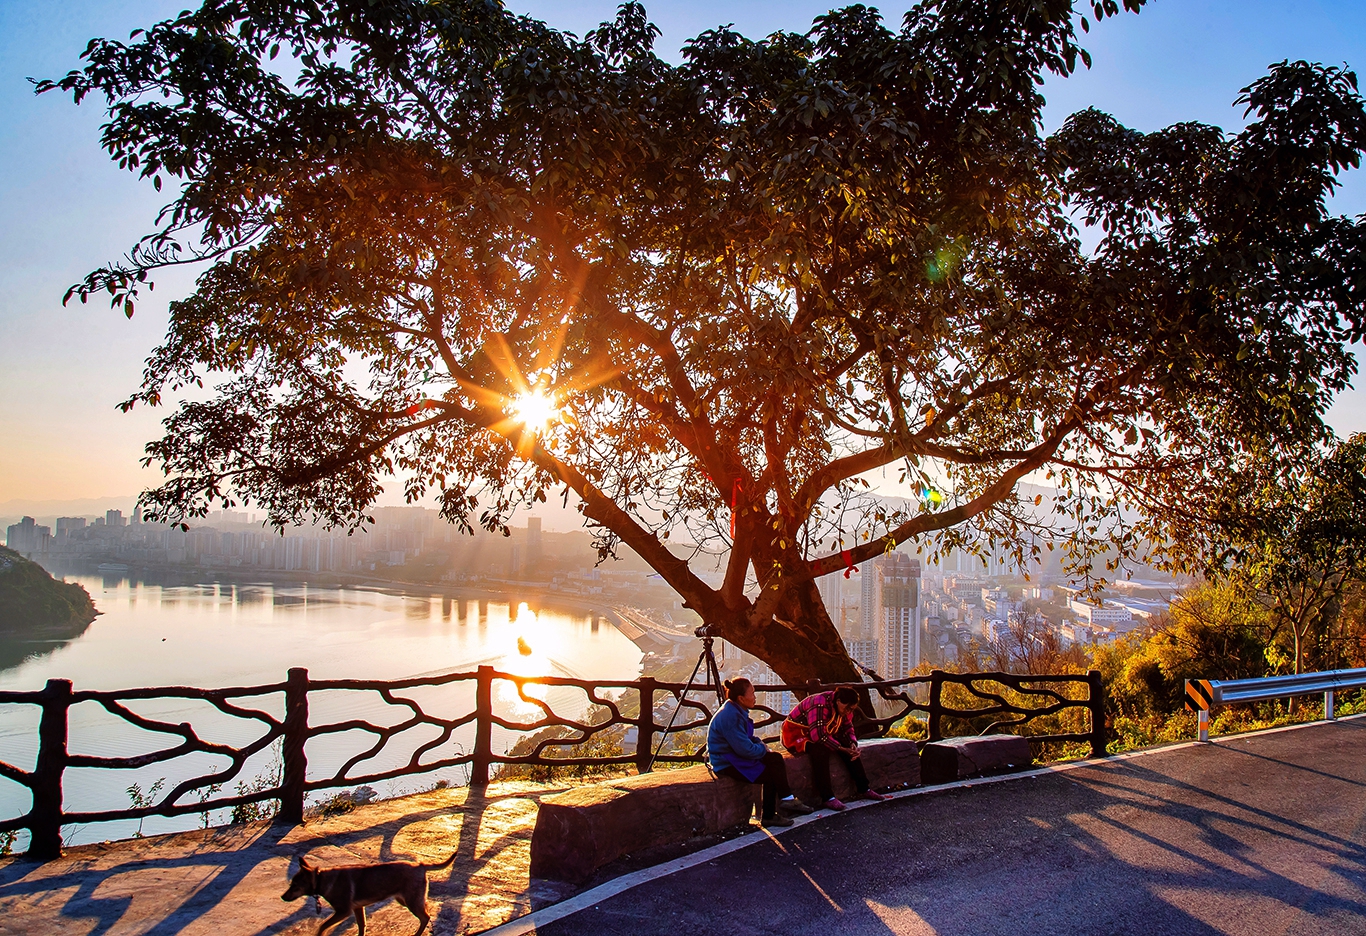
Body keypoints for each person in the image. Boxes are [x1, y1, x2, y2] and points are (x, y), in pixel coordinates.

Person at [707, 677, 807, 827]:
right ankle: (771, 813)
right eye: (752, 694)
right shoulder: (730, 716)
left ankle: (786, 799)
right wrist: (762, 748)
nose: (754, 697)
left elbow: (745, 739)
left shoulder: (736, 709)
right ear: (741, 698)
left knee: (775, 759)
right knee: (770, 775)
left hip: (735, 754)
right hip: (727, 761)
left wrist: (759, 744)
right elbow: (744, 749)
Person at [783, 686, 889, 811]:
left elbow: (848, 727)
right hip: (797, 735)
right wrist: (841, 749)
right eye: (847, 708)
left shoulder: (843, 708)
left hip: (821, 731)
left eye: (851, 709)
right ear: (838, 701)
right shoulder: (819, 703)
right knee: (820, 751)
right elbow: (818, 736)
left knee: (848, 747)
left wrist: (852, 744)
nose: (848, 712)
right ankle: (827, 797)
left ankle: (864, 788)